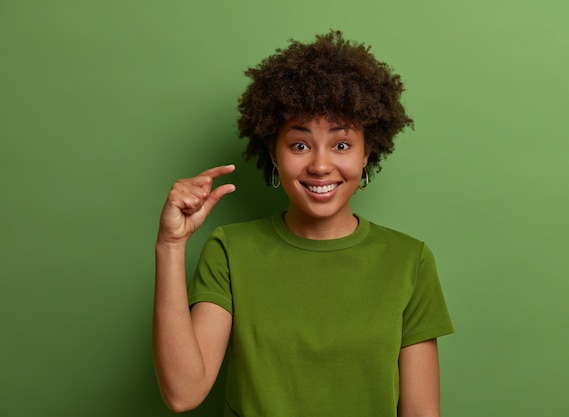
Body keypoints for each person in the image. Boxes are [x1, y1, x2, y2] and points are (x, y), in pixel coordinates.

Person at [153, 30, 453, 417]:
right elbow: (183, 393)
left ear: (367, 154)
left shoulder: (410, 260)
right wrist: (171, 246)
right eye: (299, 144)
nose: (320, 165)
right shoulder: (230, 249)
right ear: (273, 154)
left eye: (341, 144)